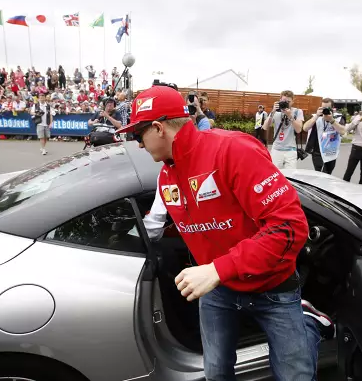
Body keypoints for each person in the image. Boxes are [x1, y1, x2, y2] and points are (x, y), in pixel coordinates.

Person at [117, 85, 320, 381]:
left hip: (273, 286)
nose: (137, 144)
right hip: (218, 289)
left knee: (296, 377)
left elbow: (290, 227)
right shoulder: (166, 175)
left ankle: (309, 324)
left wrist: (216, 269)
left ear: (159, 128)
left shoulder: (233, 150)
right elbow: (175, 226)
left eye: (138, 135)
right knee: (215, 374)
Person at [302, 97, 346, 174]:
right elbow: (305, 128)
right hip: (317, 151)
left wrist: (332, 120)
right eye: (323, 107)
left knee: (328, 174)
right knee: (319, 174)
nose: (325, 110)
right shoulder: (316, 117)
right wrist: (316, 116)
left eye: (327, 108)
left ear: (333, 108)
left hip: (331, 152)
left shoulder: (338, 118)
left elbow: (343, 131)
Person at [263, 90, 304, 169]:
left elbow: (299, 130)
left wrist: (290, 116)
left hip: (291, 150)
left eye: (288, 101)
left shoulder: (297, 112)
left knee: (290, 176)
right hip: (276, 149)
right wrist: (272, 112)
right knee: (276, 175)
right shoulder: (275, 112)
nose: (286, 103)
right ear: (280, 100)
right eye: (284, 101)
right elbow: (265, 127)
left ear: (292, 102)